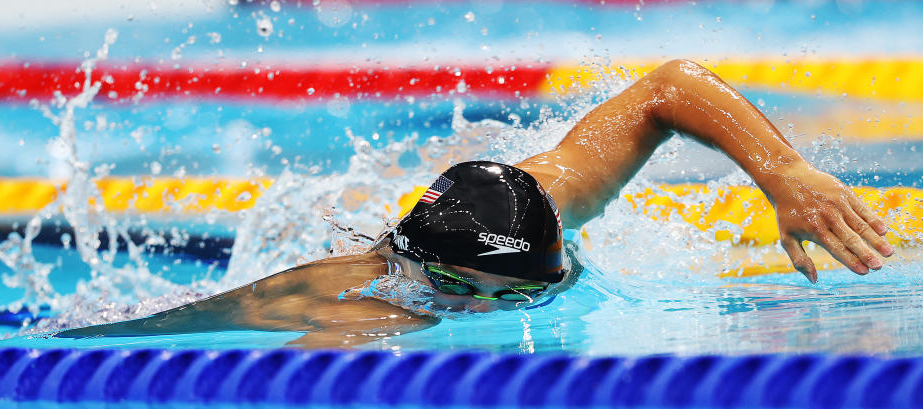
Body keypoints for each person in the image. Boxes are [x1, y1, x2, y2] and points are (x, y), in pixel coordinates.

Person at [59, 59, 893, 347]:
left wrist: (782, 171)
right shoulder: (374, 302)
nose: (482, 304)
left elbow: (670, 87)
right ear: (421, 268)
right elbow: (187, 335)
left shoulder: (561, 193)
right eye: (462, 289)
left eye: (515, 292)